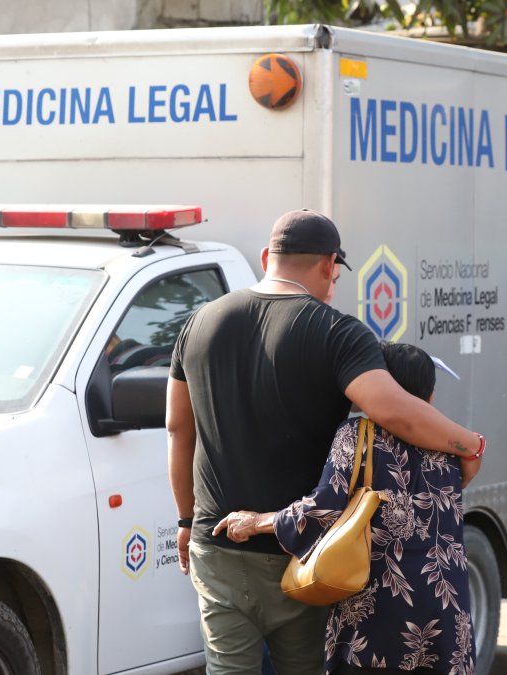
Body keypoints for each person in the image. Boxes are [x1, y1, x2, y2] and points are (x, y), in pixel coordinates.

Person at [167, 209, 485, 675]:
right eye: (335, 272)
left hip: (215, 542)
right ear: (328, 264)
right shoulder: (337, 331)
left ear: (266, 257)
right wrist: (468, 444)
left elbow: (178, 428)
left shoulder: (199, 323)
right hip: (305, 552)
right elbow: (392, 410)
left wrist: (185, 518)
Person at [216, 342, 477, 675]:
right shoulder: (453, 445)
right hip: (446, 608)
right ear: (430, 398)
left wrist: (258, 521)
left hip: (381, 613)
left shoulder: (357, 435)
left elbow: (322, 510)